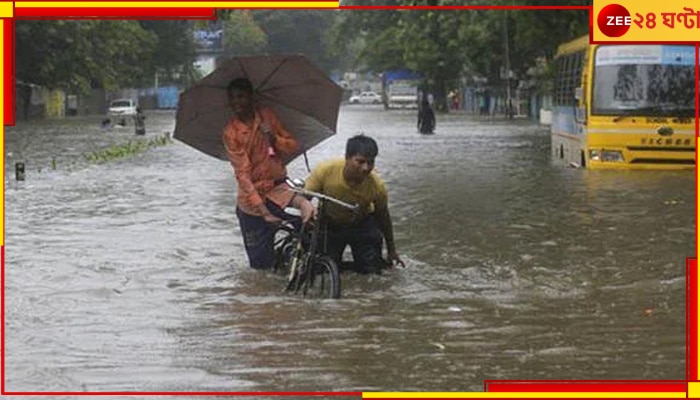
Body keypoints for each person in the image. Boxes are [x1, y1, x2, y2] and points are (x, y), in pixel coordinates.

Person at [222, 78, 315, 270]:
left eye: (240, 96)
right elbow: (243, 176)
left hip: (278, 188)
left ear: (251, 97)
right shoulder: (231, 133)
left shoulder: (267, 116)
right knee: (260, 267)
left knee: (309, 226)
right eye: (232, 98)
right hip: (251, 203)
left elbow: (292, 146)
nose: (236, 102)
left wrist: (273, 137)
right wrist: (263, 212)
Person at [304, 135, 405, 274]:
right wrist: (307, 211)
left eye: (371, 162)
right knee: (323, 270)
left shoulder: (376, 185)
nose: (366, 168)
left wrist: (392, 250)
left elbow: (383, 217)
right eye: (360, 162)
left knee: (371, 272)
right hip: (330, 223)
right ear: (347, 157)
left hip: (362, 224)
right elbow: (303, 199)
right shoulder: (325, 171)